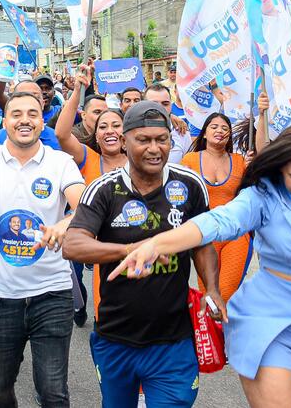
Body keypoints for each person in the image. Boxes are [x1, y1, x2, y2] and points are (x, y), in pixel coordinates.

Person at [111, 123, 291, 408]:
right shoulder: (263, 195)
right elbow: (217, 221)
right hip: (268, 323)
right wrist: (158, 243)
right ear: (280, 169)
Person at [63, 101, 224, 408]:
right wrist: (129, 250)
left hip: (173, 341)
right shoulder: (103, 189)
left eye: (161, 139)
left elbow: (203, 242)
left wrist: (211, 290)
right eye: (144, 140)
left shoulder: (189, 184)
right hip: (115, 337)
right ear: (124, 142)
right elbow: (73, 244)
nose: (154, 149)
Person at [0, 92, 86, 408]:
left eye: (33, 113)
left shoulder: (60, 162)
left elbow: (83, 204)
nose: (25, 119)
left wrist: (65, 224)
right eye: (17, 113)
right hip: (0, 297)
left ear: (42, 120)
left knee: (53, 392)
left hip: (52, 293)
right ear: (4, 121)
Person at [55, 66, 127, 327]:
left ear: (126, 132)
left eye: (116, 125)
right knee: (105, 309)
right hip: (98, 245)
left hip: (135, 244)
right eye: (103, 126)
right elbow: (62, 134)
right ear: (95, 135)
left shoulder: (139, 164)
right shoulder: (89, 158)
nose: (109, 131)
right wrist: (77, 90)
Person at [180, 112, 250, 303]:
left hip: (235, 234)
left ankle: (228, 331)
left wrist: (252, 169)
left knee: (225, 293)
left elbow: (251, 193)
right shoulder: (190, 160)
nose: (219, 130)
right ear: (204, 133)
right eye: (214, 127)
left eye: (224, 128)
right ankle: (218, 334)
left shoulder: (240, 161)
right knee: (209, 298)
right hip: (204, 237)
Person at [143, 85, 192, 163]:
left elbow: (188, 165)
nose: (160, 108)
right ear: (143, 105)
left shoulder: (182, 133)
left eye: (165, 104)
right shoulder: (135, 130)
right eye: (154, 104)